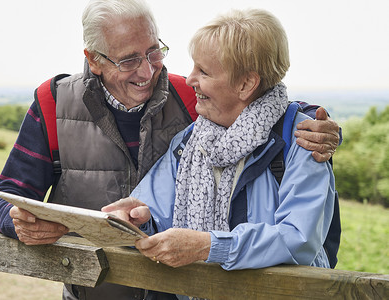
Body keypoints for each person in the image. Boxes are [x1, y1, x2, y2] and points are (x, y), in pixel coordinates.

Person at [0, 0, 340, 299]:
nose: (149, 70)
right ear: (94, 59)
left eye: (154, 51)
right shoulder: (55, 103)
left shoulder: (201, 104)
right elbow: (5, 197)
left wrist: (322, 127)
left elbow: (265, 107)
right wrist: (133, 214)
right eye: (128, 60)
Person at [102, 7, 336, 279]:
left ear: (246, 84)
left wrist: (210, 247)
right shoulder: (189, 142)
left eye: (203, 71)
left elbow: (298, 238)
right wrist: (138, 218)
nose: (190, 79)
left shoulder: (303, 139)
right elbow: (154, 211)